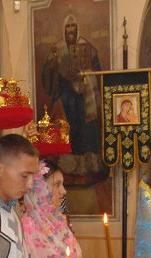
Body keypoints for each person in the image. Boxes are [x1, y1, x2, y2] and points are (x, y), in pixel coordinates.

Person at [41, 14, 102, 154]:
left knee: (84, 130)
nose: (70, 30)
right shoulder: (58, 48)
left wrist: (85, 73)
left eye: (73, 26)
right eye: (68, 26)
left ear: (77, 28)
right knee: (66, 128)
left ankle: (86, 157)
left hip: (83, 96)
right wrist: (53, 64)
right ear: (64, 29)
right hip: (65, 95)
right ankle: (66, 157)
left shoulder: (87, 47)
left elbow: (97, 71)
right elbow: (47, 73)